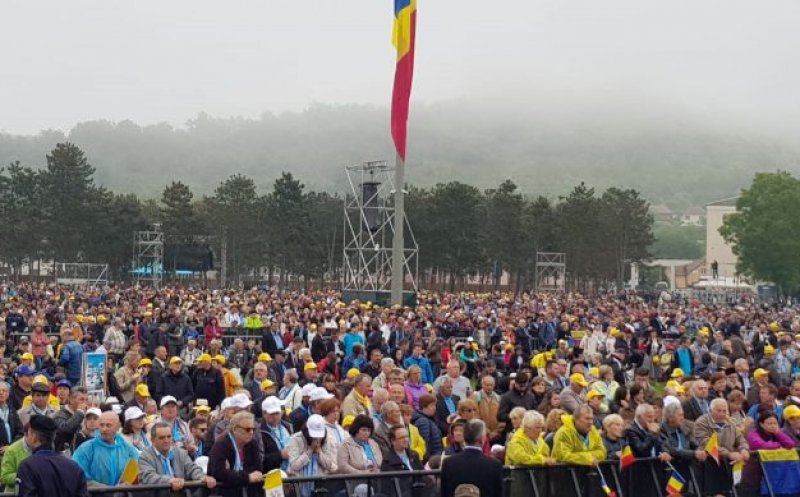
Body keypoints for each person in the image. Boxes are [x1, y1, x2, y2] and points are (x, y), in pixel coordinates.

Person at [15, 415, 88, 497]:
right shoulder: (73, 466)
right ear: (54, 437)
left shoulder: (27, 467)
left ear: (34, 436)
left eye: (28, 433)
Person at [139, 421, 217, 497]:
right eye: (162, 438)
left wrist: (203, 477)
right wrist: (169, 481)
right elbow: (148, 477)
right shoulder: (145, 456)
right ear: (152, 440)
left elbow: (192, 468)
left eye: (169, 436)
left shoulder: (180, 453)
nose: (166, 440)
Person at [693, 398, 750, 496]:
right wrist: (729, 454)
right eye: (719, 410)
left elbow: (740, 438)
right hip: (708, 465)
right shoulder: (701, 422)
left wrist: (744, 449)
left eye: (724, 411)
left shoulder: (730, 423)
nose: (722, 413)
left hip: (727, 465)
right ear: (711, 410)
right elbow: (708, 444)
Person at [72, 411, 139, 487]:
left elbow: (135, 471)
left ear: (117, 427)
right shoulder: (86, 449)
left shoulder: (128, 449)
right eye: (101, 425)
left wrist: (124, 486)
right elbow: (78, 477)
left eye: (108, 425)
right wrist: (109, 490)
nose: (104, 429)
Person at [441, 420, 503, 497]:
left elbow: (444, 493)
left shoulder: (448, 463)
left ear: (464, 436)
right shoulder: (494, 465)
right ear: (482, 439)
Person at [207, 411, 264, 497]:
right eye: (247, 429)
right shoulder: (221, 444)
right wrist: (247, 477)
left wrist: (233, 474)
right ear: (234, 429)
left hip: (247, 491)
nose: (251, 432)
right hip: (223, 492)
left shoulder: (252, 443)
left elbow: (257, 470)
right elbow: (219, 473)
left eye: (253, 429)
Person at [287, 414, 338, 497]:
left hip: (322, 485)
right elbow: (294, 466)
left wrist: (319, 453)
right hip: (300, 484)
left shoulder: (330, 439)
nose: (316, 438)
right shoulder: (295, 439)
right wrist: (309, 451)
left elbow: (333, 467)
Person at [260, 396, 291, 472]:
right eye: (272, 413)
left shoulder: (288, 427)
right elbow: (259, 460)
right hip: (272, 475)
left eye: (277, 413)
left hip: (290, 473)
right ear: (264, 413)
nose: (275, 416)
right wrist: (279, 456)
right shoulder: (259, 432)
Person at [53, 386, 88, 453]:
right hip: (64, 455)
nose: (84, 403)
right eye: (81, 399)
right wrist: (79, 412)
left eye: (86, 400)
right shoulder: (60, 414)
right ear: (71, 400)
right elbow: (66, 429)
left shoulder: (86, 414)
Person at [0, 382, 23, 454]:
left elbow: (20, 432)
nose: (1, 393)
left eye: (4, 390)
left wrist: (10, 446)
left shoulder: (12, 410)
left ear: (8, 394)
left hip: (12, 451)